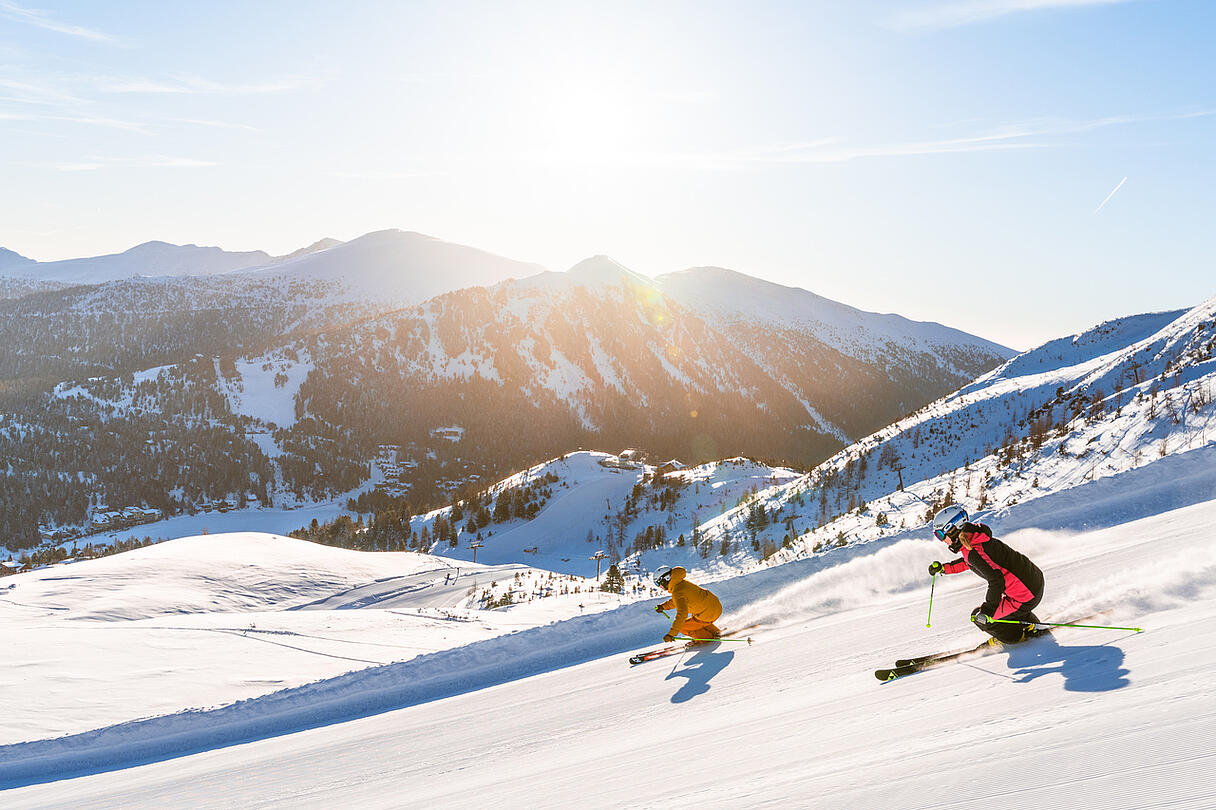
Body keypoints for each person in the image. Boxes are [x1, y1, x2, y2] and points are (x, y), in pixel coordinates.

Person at [928, 505, 1045, 645]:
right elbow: (970, 563)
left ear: (953, 529)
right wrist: (944, 569)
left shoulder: (972, 551)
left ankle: (1015, 637)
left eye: (940, 535)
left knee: (978, 617)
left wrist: (988, 610)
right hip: (1033, 582)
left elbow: (996, 580)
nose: (942, 540)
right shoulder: (976, 538)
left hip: (1025, 595)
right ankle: (1029, 625)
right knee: (998, 605)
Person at [652, 565, 723, 644]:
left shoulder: (677, 592)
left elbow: (682, 614)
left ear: (665, 579)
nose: (660, 587)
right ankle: (715, 632)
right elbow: (678, 600)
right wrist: (663, 606)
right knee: (695, 619)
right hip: (715, 606)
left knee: (683, 627)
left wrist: (671, 634)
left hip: (708, 613)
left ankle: (708, 637)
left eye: (659, 584)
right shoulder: (681, 584)